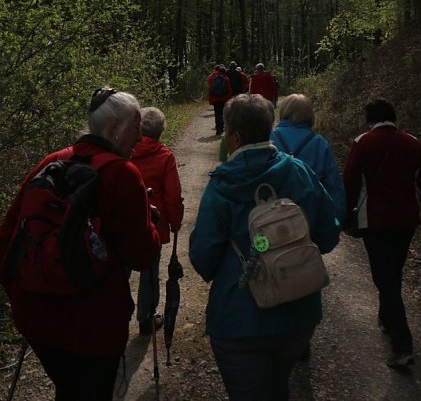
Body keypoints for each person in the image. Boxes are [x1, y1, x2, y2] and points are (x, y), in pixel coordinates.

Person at [0, 87, 161, 401]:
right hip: (93, 328)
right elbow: (141, 254)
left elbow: (7, 237)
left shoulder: (52, 161)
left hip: (37, 322)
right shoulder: (122, 174)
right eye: (136, 127)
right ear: (114, 128)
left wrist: (23, 294)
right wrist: (151, 224)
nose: (140, 138)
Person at [189, 93, 339, 401]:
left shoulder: (221, 186)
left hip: (238, 320)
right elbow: (328, 234)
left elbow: (203, 258)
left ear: (236, 137)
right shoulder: (299, 172)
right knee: (278, 387)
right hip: (297, 314)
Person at [343, 98, 421, 370]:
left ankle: (403, 346)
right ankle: (386, 317)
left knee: (386, 279)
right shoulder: (412, 142)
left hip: (375, 221)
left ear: (370, 119)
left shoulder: (363, 143)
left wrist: (346, 218)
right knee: (392, 273)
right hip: (407, 221)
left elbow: (349, 182)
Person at [130, 106, 184, 335]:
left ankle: (117, 315)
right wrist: (175, 222)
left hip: (124, 220)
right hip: (153, 222)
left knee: (121, 269)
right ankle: (146, 318)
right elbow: (173, 195)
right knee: (150, 271)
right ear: (161, 131)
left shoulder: (125, 150)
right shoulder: (164, 156)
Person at [271, 93, 346, 223]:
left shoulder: (269, 138)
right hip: (310, 216)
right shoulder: (319, 143)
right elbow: (333, 184)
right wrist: (337, 218)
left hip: (274, 216)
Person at [208, 64, 232, 135]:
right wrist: (229, 99)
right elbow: (229, 90)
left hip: (215, 99)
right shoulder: (226, 78)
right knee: (222, 113)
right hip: (224, 99)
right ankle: (221, 128)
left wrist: (211, 99)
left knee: (217, 113)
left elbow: (210, 89)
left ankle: (217, 127)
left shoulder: (211, 77)